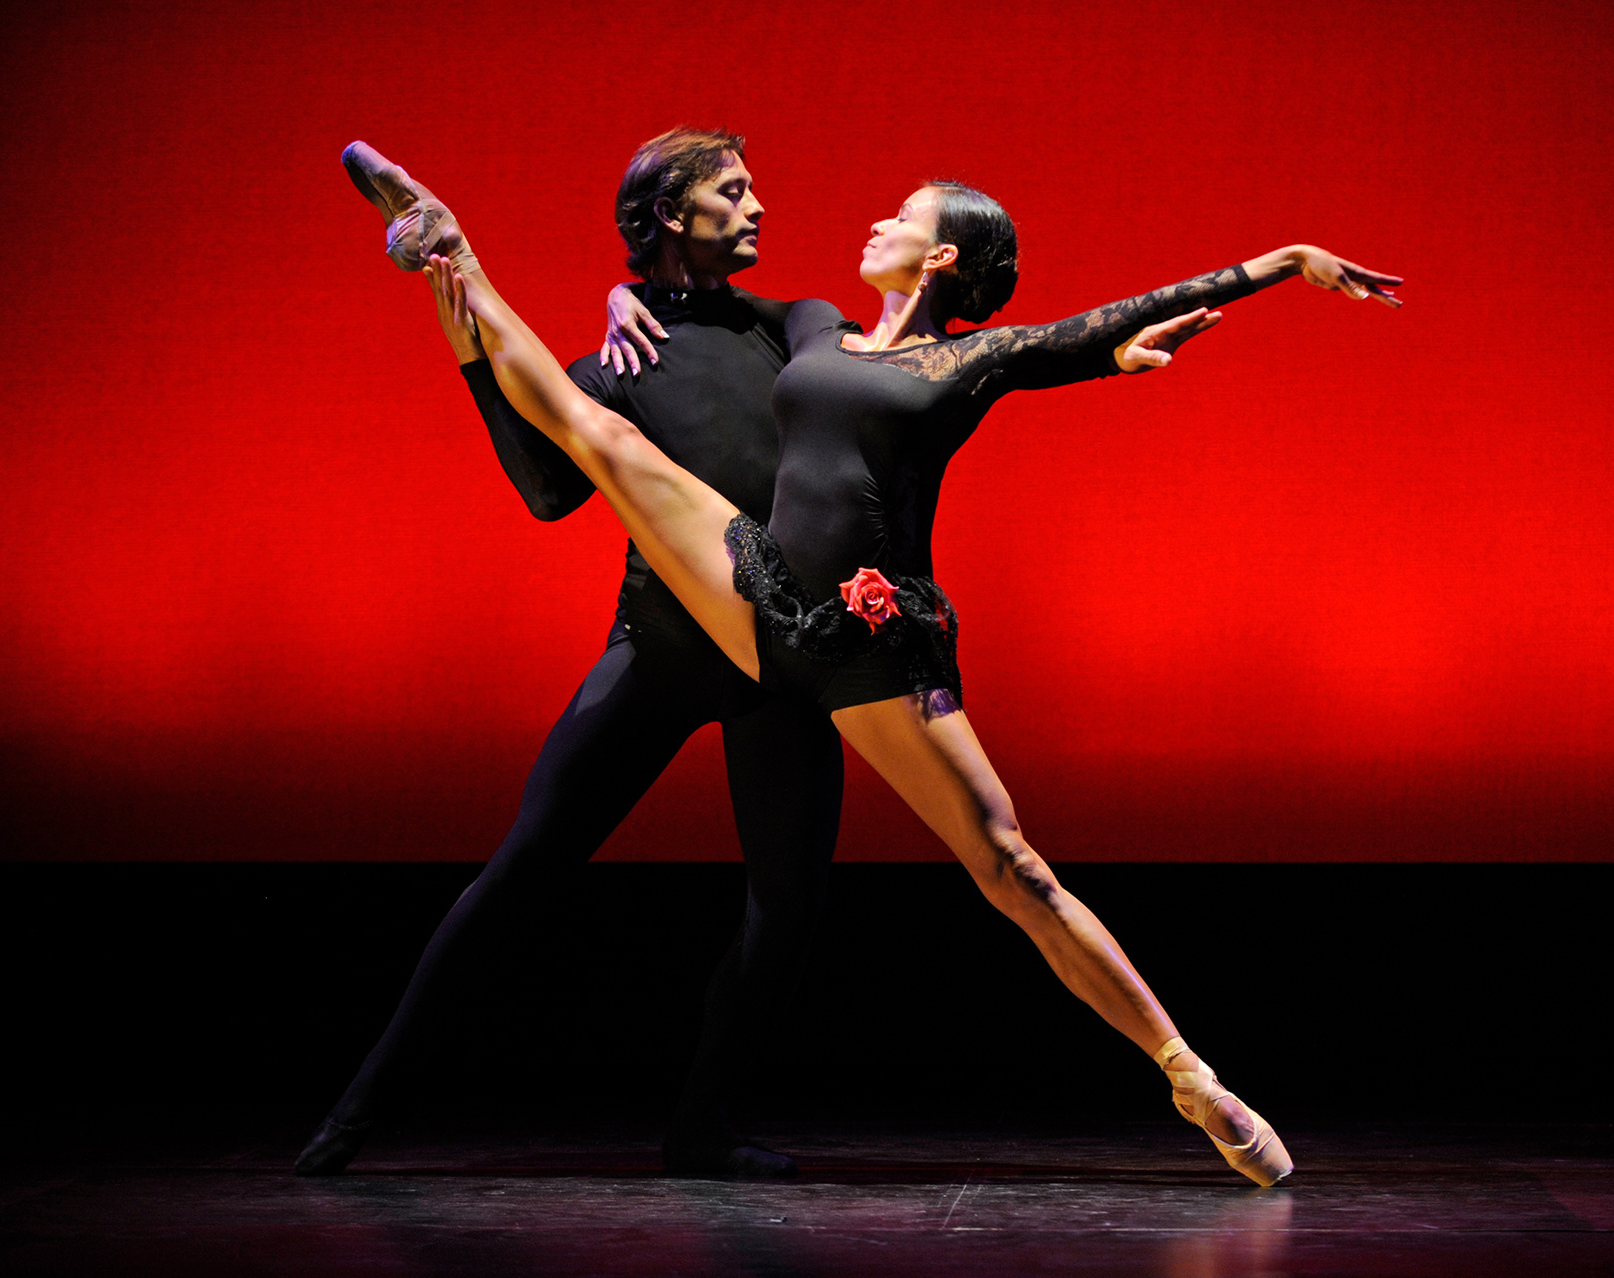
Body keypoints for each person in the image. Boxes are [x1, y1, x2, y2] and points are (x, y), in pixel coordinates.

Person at [347, 140, 1402, 1186]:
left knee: (1012, 866)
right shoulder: (809, 326)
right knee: (605, 439)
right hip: (754, 584)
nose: (874, 225)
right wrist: (629, 303)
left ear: (940, 260)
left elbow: (1086, 333)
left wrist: (1278, 262)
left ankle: (1186, 1073)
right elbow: (702, 319)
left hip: (867, 635)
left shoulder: (961, 361)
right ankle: (455, 255)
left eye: (903, 219)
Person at [299, 130, 844, 1180]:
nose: (759, 204)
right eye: (732, 191)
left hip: (778, 662)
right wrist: (483, 353)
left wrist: (626, 293)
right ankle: (358, 1112)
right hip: (663, 647)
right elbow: (549, 494)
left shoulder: (795, 327)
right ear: (673, 218)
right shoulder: (612, 368)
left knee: (789, 906)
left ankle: (701, 1127)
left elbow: (835, 360)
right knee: (521, 872)